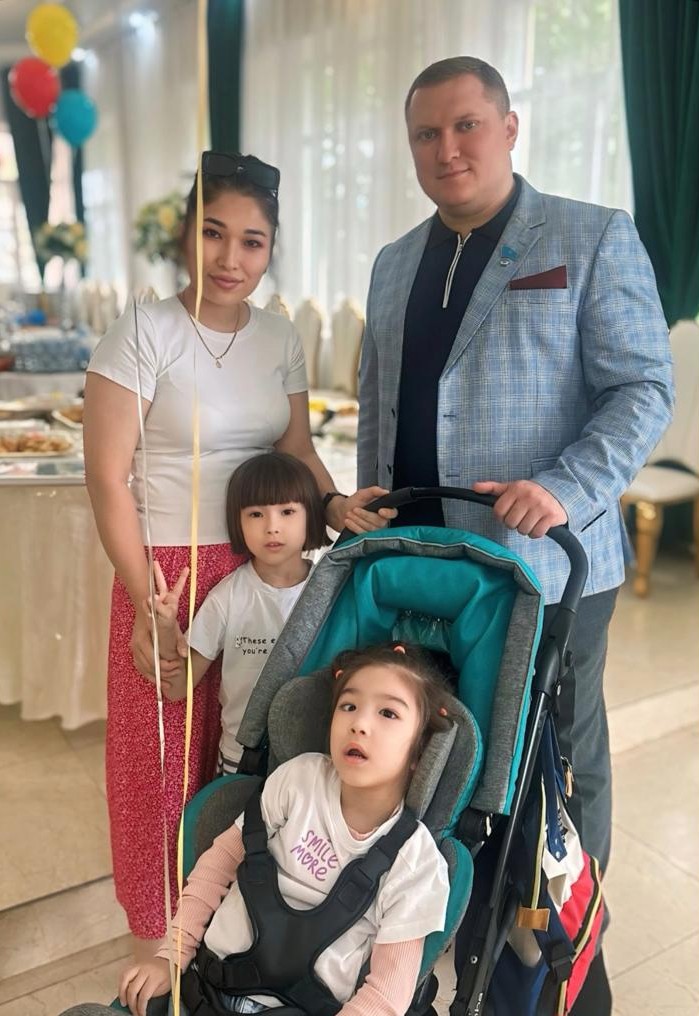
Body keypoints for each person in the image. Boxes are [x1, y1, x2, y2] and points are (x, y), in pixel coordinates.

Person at [356, 57, 674, 1012]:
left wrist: (565, 487)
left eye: (464, 125)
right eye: (425, 133)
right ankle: (457, 924)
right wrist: (369, 514)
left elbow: (641, 388)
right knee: (449, 756)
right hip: (421, 564)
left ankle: (565, 950)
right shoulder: (392, 262)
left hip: (545, 566)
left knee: (560, 763)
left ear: (507, 127)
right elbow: (378, 405)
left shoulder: (588, 235)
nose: (445, 149)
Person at [84, 150, 395, 953]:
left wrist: (332, 504)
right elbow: (107, 479)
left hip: (267, 565)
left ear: (270, 249)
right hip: (169, 576)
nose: (230, 258)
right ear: (184, 237)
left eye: (252, 241)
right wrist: (144, 599)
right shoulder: (142, 331)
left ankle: (234, 917)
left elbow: (295, 447)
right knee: (160, 759)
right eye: (212, 234)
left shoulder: (278, 335)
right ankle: (159, 933)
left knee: (255, 745)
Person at [118, 642, 452, 1016]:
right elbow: (222, 860)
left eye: (388, 712)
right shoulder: (298, 780)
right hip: (203, 987)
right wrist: (172, 952)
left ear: (420, 750)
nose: (359, 723)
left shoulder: (416, 863)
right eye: (349, 705)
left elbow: (386, 995)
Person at [149, 451, 327, 773]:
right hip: (241, 760)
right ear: (237, 522)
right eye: (256, 514)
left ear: (311, 516)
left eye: (287, 511)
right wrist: (165, 628)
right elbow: (176, 689)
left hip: (316, 763)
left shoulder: (331, 592)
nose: (272, 527)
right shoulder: (227, 596)